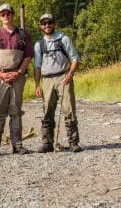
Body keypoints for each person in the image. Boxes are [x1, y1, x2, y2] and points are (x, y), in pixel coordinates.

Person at [0, 3, 33, 155]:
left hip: (18, 77)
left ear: (13, 15)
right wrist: (0, 74)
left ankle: (17, 145)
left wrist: (19, 72)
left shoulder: (23, 35)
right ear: (0, 16)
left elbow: (28, 56)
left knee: (16, 111)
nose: (6, 16)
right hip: (0, 78)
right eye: (3, 14)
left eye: (8, 13)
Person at [34, 13, 83, 153]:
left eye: (49, 22)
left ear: (54, 23)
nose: (47, 25)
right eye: (44, 23)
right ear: (41, 26)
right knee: (47, 112)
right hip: (47, 80)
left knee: (69, 110)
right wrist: (37, 84)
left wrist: (70, 74)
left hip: (64, 77)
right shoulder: (39, 44)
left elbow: (75, 59)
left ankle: (73, 142)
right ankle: (47, 143)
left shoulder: (63, 39)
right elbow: (37, 66)